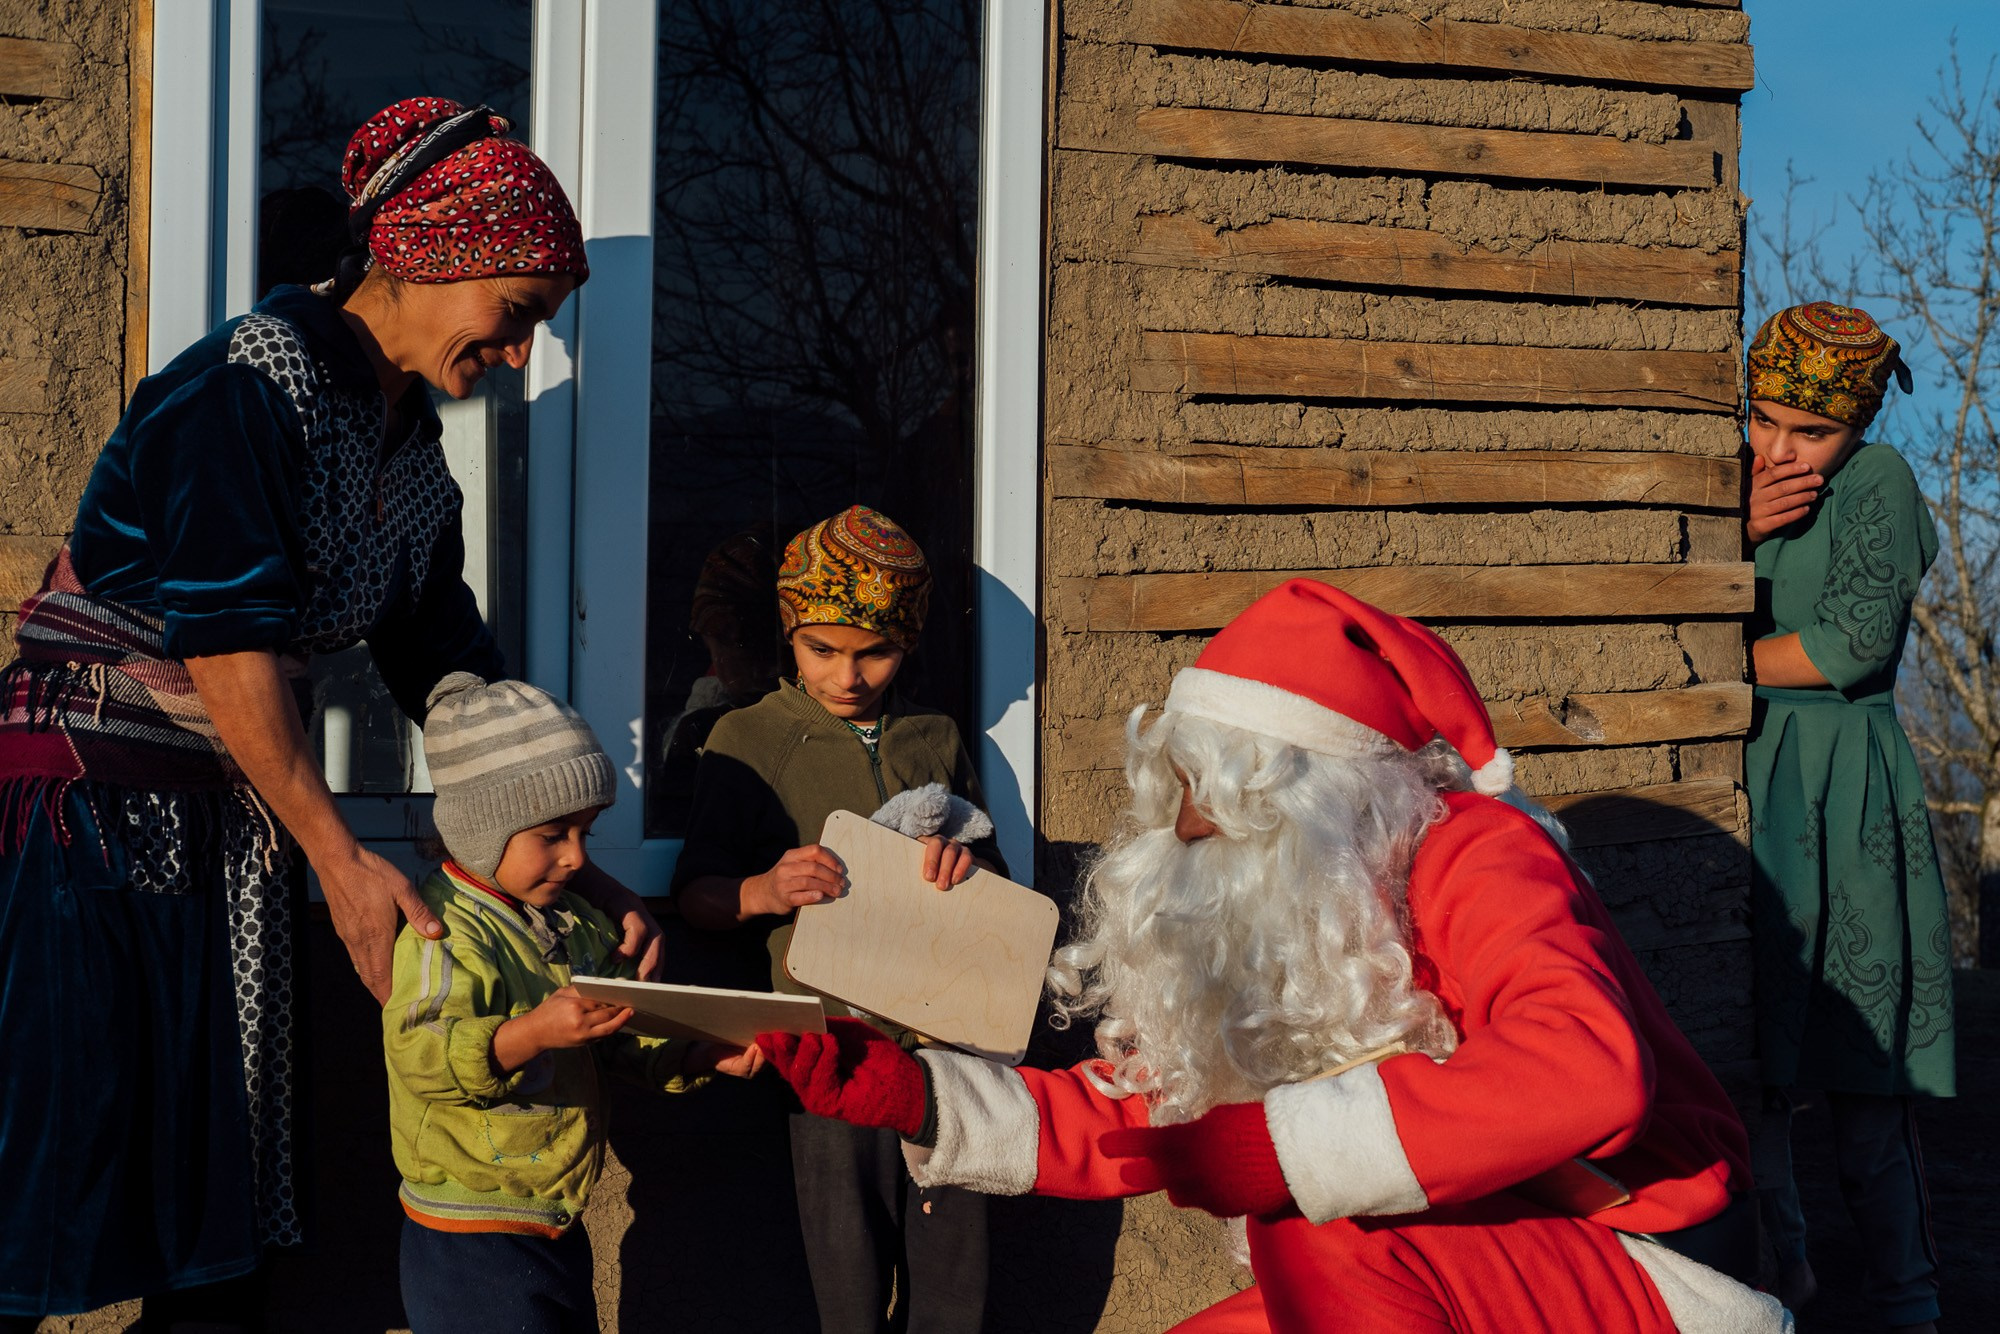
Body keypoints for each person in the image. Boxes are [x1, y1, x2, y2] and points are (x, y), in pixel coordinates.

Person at [0, 96, 660, 1328]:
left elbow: (453, 675)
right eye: (516, 312)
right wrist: (341, 857)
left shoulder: (409, 453)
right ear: (424, 260)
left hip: (221, 832)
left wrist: (574, 862)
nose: (523, 354)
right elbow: (228, 640)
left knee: (215, 1227)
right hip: (92, 828)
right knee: (51, 1176)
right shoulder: (243, 389)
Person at [759, 579, 1789, 1334]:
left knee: (1310, 1216)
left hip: (1642, 1264)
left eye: (1212, 794)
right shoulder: (1283, 908)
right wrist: (917, 1094)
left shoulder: (1479, 856)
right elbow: (1144, 1113)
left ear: (1313, 795)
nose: (1183, 828)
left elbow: (1583, 1067)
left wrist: (1286, 1149)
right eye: (1177, 792)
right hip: (1451, 1260)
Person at [673, 505, 1003, 1334]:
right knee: (842, 1280)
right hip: (827, 1053)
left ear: (909, 642)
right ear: (788, 632)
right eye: (822, 650)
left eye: (875, 652)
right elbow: (696, 894)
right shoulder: (748, 740)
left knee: (953, 1276)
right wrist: (763, 890)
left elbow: (994, 875)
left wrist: (966, 869)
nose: (848, 676)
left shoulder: (934, 737)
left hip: (946, 1050)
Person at [386, 673, 760, 1334]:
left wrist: (695, 1054)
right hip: (469, 1230)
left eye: (586, 832)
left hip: (554, 1216)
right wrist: (531, 1033)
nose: (576, 858)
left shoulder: (572, 919)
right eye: (553, 835)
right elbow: (419, 1053)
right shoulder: (443, 932)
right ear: (481, 830)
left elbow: (617, 1032)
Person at [1741, 301, 1951, 1334]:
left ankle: (1909, 1304)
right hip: (1750, 781)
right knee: (1752, 1068)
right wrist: (1737, 531)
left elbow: (1848, 645)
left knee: (1867, 1083)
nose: (1780, 449)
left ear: (1858, 425)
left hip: (1848, 787)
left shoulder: (1877, 482)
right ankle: (1782, 1277)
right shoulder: (1730, 483)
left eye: (1811, 431)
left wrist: (1704, 665)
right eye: (1763, 419)